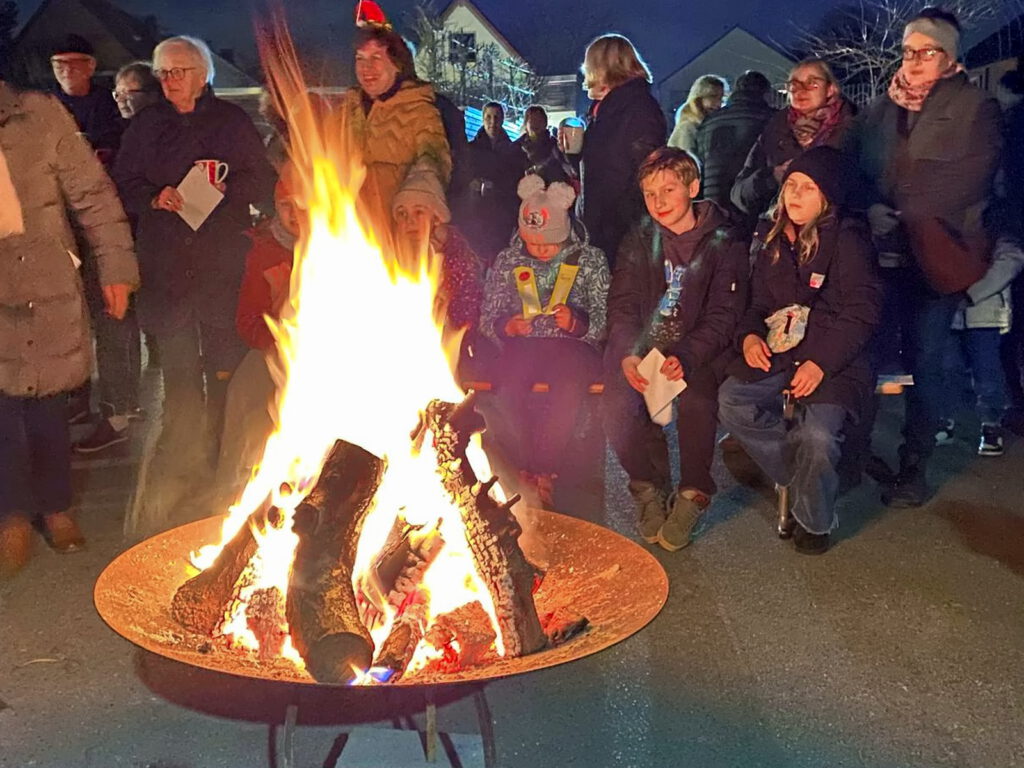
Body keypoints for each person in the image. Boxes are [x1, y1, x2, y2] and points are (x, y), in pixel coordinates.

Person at [114, 36, 275, 535]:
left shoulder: (230, 122)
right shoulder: (145, 124)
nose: (171, 81)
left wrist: (226, 189)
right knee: (180, 374)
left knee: (224, 367)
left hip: (220, 264)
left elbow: (262, 182)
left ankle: (224, 466)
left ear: (204, 75)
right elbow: (123, 182)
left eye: (180, 71)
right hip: (165, 265)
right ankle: (181, 470)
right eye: (163, 73)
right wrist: (153, 196)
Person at [849, 9, 1002, 506]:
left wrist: (908, 212)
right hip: (879, 251)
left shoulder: (975, 107)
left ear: (949, 57)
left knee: (926, 360)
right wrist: (871, 207)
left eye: (927, 51)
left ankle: (914, 465)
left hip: (937, 255)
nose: (914, 62)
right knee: (867, 355)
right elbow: (856, 170)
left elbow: (971, 178)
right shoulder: (878, 110)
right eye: (909, 50)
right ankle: (855, 455)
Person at [0, 79, 136, 575]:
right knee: (3, 411)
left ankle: (56, 507)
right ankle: (11, 515)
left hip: (46, 282)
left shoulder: (40, 115)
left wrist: (116, 268)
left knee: (49, 404)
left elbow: (94, 196)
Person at [719, 147, 883, 555]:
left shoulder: (847, 239)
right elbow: (755, 306)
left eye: (808, 188)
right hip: (781, 349)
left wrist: (820, 363)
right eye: (791, 185)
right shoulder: (771, 237)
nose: (794, 196)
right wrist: (749, 337)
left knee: (819, 434)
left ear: (827, 197)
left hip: (834, 359)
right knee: (732, 400)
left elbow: (862, 311)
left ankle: (815, 519)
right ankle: (798, 476)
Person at [602, 147, 748, 551]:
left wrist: (685, 355)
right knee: (615, 405)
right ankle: (646, 485)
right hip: (648, 345)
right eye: (650, 193)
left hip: (699, 347)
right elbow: (623, 303)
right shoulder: (639, 239)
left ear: (693, 188)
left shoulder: (723, 240)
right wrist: (629, 352)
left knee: (698, 402)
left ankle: (694, 491)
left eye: (669, 190)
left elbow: (725, 313)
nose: (659, 202)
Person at [478, 175, 610, 507]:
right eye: (532, 244)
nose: (539, 251)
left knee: (567, 390)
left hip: (573, 347)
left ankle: (545, 471)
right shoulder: (509, 260)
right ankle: (524, 467)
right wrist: (508, 326)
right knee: (506, 390)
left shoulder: (589, 260)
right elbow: (488, 314)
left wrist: (577, 324)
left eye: (548, 245)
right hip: (524, 344)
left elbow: (605, 316)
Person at [73, 62, 161, 454]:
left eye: (131, 93)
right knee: (117, 326)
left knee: (118, 325)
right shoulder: (115, 133)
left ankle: (120, 414)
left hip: (141, 241)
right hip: (116, 240)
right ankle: (120, 409)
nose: (123, 101)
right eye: (118, 94)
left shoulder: (158, 135)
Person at [328, 22, 451, 236]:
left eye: (376, 57)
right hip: (347, 233)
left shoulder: (419, 111)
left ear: (398, 65)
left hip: (397, 236)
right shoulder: (345, 112)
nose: (366, 68)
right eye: (360, 58)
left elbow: (434, 164)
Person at [578, 34, 667, 269]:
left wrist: (623, 219)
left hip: (622, 228)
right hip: (606, 222)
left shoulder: (637, 107)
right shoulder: (606, 109)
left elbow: (645, 168)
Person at [732, 59, 855, 221]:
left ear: (830, 89)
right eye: (794, 85)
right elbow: (739, 195)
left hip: (837, 234)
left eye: (812, 84)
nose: (800, 91)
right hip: (783, 234)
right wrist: (772, 177)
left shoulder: (856, 128)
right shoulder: (774, 131)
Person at [937, 236, 1024, 456]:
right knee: (948, 368)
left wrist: (973, 293)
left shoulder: (995, 226)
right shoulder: (949, 221)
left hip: (985, 313)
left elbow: (1010, 260)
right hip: (952, 310)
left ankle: (990, 426)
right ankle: (948, 421)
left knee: (987, 371)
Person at [694, 70, 774, 219]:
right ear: (765, 92)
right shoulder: (771, 119)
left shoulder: (710, 121)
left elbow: (701, 159)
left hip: (713, 203)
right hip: (751, 204)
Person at [464, 102, 524, 265]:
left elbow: (516, 181)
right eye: (488, 117)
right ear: (483, 120)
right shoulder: (470, 149)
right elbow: (463, 177)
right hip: (478, 212)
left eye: (497, 117)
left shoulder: (512, 151)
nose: (492, 122)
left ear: (503, 120)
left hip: (502, 213)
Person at [50, 34, 123, 162]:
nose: (67, 70)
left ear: (91, 65)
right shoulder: (42, 105)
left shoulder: (112, 103)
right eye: (59, 64)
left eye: (74, 64)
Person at [667, 74, 727, 155]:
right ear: (698, 98)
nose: (718, 104)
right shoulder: (687, 128)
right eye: (712, 96)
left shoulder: (711, 126)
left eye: (721, 98)